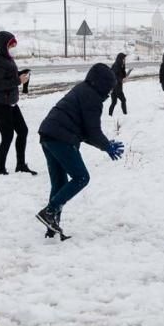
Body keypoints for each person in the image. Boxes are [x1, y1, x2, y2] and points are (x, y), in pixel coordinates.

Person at [35, 63, 124, 239]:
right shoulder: (93, 98)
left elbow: (85, 132)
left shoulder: (82, 89)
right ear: (101, 83)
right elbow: (92, 131)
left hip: (48, 134)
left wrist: (104, 145)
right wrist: (106, 146)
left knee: (59, 183)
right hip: (61, 138)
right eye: (108, 87)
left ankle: (52, 226)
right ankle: (50, 212)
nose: (109, 92)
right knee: (81, 177)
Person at [0, 31, 36, 175]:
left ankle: (20, 165)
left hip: (10, 103)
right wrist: (18, 80)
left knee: (23, 131)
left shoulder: (8, 59)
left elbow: (9, 75)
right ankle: (0, 170)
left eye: (15, 44)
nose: (14, 47)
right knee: (7, 136)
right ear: (3, 46)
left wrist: (20, 74)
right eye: (11, 45)